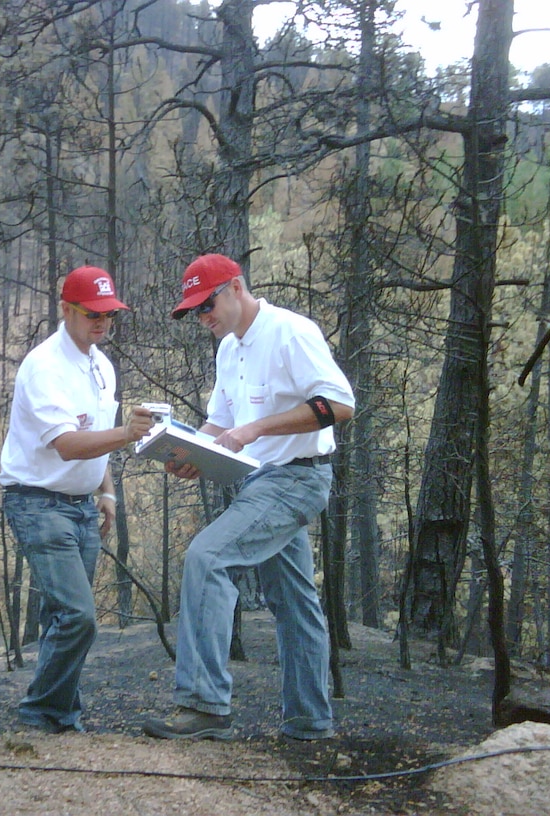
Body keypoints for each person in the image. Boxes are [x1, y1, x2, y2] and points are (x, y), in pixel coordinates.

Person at [142, 253, 355, 742]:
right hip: (260, 480)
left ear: (236, 287)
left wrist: (255, 428)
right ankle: (310, 721)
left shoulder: (291, 332)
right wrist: (191, 450)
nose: (203, 318)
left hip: (297, 479)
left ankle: (205, 705)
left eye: (207, 304)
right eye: (194, 311)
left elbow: (339, 404)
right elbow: (221, 423)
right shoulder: (228, 349)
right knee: (295, 603)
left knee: (208, 556)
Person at [0, 265, 155, 734]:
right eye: (92, 313)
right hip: (37, 502)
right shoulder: (43, 366)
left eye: (109, 313)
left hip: (81, 506)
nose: (102, 322)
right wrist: (129, 433)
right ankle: (40, 710)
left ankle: (60, 717)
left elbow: (95, 436)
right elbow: (67, 443)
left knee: (60, 617)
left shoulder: (102, 366)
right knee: (79, 616)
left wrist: (106, 490)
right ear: (65, 310)